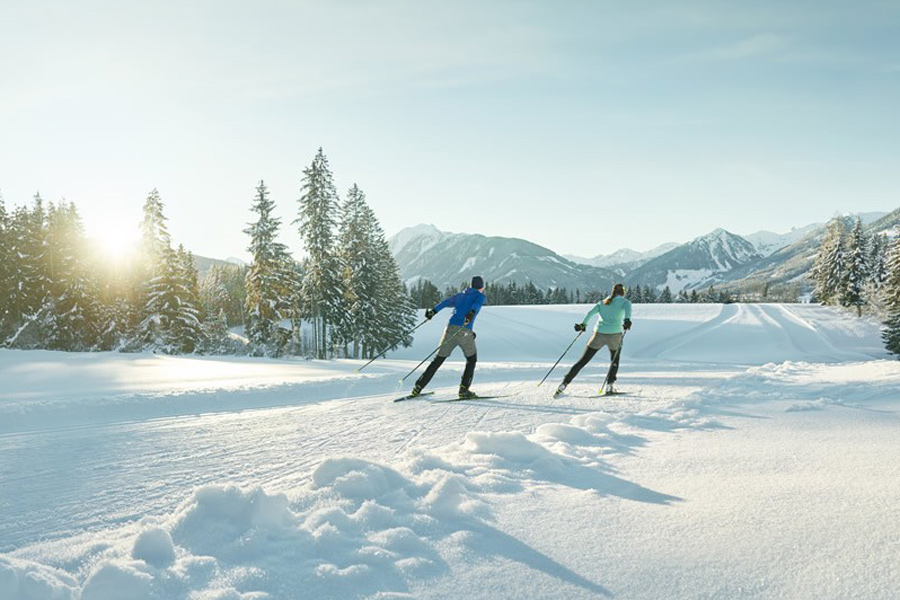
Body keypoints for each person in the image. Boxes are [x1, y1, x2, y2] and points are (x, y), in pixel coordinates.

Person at [409, 276, 486, 399]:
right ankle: (464, 390)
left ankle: (418, 387)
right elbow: (476, 306)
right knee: (471, 359)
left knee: (438, 360)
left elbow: (444, 303)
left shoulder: (460, 295)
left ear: (471, 285)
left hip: (449, 329)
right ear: (481, 287)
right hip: (464, 330)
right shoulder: (480, 296)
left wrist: (432, 312)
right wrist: (471, 313)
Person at [555, 282, 633, 397]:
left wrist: (583, 325)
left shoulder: (602, 303)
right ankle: (609, 386)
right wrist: (626, 322)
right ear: (623, 292)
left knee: (582, 361)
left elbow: (590, 314)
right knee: (614, 361)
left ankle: (564, 384)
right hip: (615, 335)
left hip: (598, 335)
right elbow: (628, 315)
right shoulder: (625, 303)